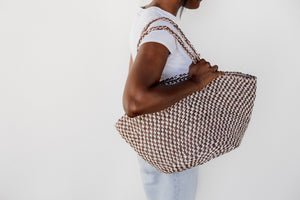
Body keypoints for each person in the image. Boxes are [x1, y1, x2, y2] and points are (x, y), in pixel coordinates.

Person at [122, 0, 224, 199]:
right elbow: (134, 102)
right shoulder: (161, 30)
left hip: (159, 148)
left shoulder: (148, 16)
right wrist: (196, 82)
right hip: (172, 155)